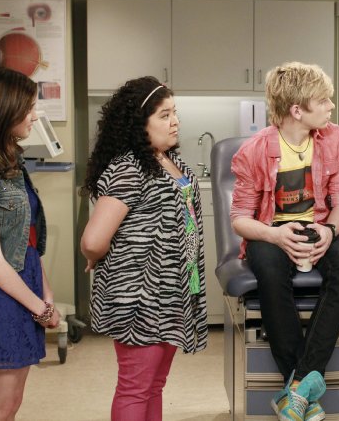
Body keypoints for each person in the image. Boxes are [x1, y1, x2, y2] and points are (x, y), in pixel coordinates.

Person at [230, 62, 339, 421]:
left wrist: (329, 231)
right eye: (323, 100)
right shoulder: (254, 151)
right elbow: (240, 219)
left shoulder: (333, 138)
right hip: (271, 232)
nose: (331, 106)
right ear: (297, 110)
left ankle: (297, 387)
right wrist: (275, 234)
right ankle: (302, 387)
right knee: (269, 270)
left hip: (319, 225)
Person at [80, 76, 207, 420]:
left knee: (153, 385)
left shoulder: (170, 162)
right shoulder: (129, 167)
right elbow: (93, 240)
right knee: (136, 387)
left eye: (174, 113)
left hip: (172, 293)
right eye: (164, 115)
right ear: (139, 123)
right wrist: (94, 256)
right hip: (140, 296)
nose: (174, 121)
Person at [0, 66, 61, 419]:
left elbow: (28, 238)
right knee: (1, 406)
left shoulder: (13, 161)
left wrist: (46, 293)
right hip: (0, 298)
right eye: (29, 108)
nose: (34, 116)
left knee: (12, 402)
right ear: (5, 110)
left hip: (24, 289)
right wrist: (40, 308)